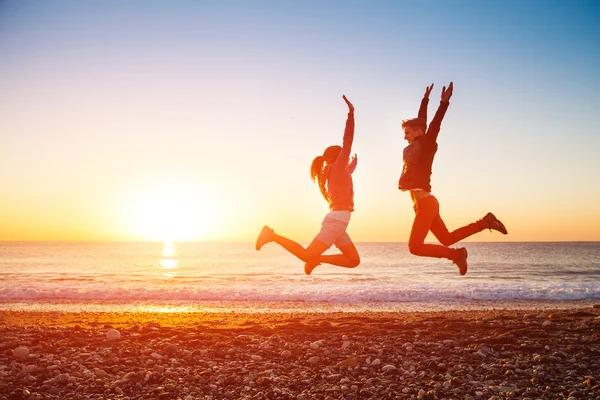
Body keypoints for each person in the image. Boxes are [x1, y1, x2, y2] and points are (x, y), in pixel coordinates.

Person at [399, 82, 507, 275]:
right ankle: (485, 222)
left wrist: (443, 103)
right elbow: (421, 122)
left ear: (418, 133)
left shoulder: (426, 146)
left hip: (426, 203)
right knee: (446, 238)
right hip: (424, 204)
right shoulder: (416, 143)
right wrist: (425, 100)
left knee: (414, 247)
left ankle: (456, 255)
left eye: (407, 132)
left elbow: (432, 125)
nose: (405, 136)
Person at [255, 95, 360, 275]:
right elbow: (348, 141)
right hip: (337, 221)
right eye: (343, 154)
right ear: (338, 156)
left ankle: (317, 259)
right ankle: (271, 235)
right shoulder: (337, 167)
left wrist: (353, 163)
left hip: (339, 221)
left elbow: (348, 171)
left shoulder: (331, 171)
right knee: (305, 254)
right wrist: (351, 115)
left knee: (353, 261)